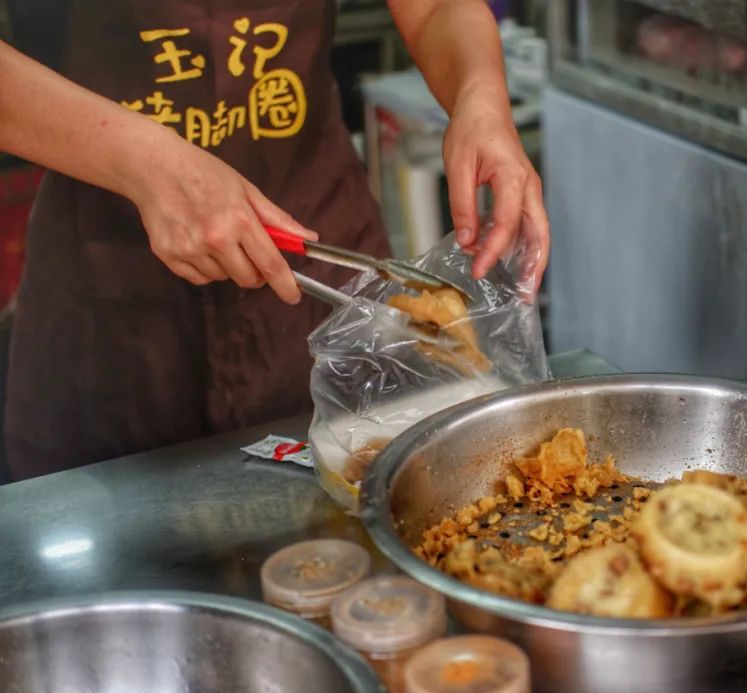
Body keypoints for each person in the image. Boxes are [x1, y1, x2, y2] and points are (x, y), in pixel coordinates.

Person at [0, 0, 549, 481]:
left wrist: (480, 95)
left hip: (314, 252)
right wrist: (140, 159)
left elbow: (433, 8)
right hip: (107, 288)